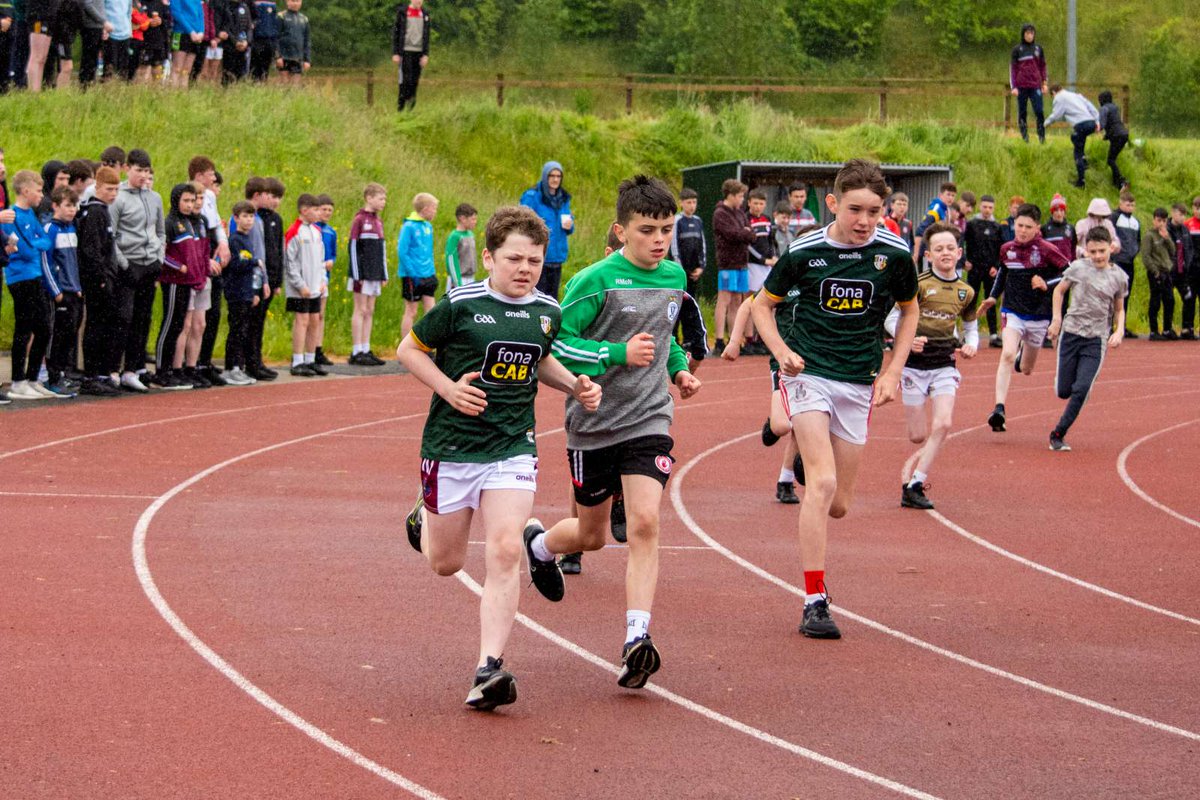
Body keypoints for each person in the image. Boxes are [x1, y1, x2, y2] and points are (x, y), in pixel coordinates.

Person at [399, 205, 600, 711]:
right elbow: (409, 349)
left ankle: (489, 667)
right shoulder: (461, 304)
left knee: (505, 551)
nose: (525, 269)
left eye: (534, 260)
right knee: (445, 563)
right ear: (488, 257)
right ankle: (423, 516)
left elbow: (540, 358)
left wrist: (574, 384)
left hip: (512, 446)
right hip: (450, 448)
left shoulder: (546, 312)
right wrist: (448, 389)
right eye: (514, 258)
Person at [526, 175, 701, 689]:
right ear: (620, 230)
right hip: (593, 423)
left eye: (666, 229)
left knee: (645, 522)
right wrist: (616, 355)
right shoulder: (593, 281)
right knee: (592, 535)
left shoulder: (673, 276)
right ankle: (539, 546)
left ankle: (636, 639)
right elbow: (555, 347)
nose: (659, 240)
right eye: (647, 229)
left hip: (649, 418)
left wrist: (677, 370)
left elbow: (666, 338)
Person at [751, 159, 919, 639]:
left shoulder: (895, 254)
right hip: (810, 373)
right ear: (833, 204)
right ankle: (815, 600)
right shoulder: (804, 251)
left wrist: (894, 371)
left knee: (840, 504)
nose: (866, 221)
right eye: (855, 210)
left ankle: (810, 454)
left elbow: (910, 312)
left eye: (875, 210)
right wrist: (782, 352)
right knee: (821, 486)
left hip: (859, 379)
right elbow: (762, 306)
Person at [889, 223, 978, 509]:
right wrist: (907, 336)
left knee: (944, 423)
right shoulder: (919, 285)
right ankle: (913, 480)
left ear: (959, 252)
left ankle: (915, 482)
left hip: (944, 365)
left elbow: (971, 326)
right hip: (914, 366)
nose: (945, 253)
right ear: (928, 255)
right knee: (917, 436)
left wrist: (971, 344)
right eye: (939, 249)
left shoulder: (966, 291)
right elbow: (891, 318)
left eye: (950, 248)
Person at [977, 203, 1070, 432]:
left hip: (1039, 316)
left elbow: (1069, 272)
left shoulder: (1047, 249)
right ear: (1014, 223)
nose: (1023, 230)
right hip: (1013, 311)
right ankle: (999, 408)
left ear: (1037, 228)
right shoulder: (1007, 248)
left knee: (1026, 368)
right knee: (1007, 353)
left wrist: (1046, 284)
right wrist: (992, 297)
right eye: (1019, 225)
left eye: (1028, 227)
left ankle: (1022, 360)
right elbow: (1002, 272)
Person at [721, 278, 804, 506]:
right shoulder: (787, 281)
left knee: (802, 423)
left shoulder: (830, 283)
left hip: (815, 365)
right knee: (782, 426)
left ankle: (785, 481)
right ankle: (772, 422)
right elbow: (749, 304)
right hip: (784, 362)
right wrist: (735, 341)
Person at [1046, 226, 1128, 451]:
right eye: (1093, 252)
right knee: (1064, 391)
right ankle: (1072, 386)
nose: (1098, 256)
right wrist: (1056, 319)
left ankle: (1058, 434)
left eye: (1102, 251)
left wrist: (1119, 330)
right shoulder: (1078, 268)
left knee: (1081, 389)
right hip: (1071, 333)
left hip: (1096, 338)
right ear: (1087, 251)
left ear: (1111, 247)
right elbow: (1059, 291)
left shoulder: (1119, 277)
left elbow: (1120, 309)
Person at [109, 148, 164, 392]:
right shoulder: (118, 197)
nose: (143, 175)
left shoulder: (155, 198)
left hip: (149, 263)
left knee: (142, 319)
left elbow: (160, 231)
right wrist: (124, 264)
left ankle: (132, 369)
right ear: (127, 169)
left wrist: (159, 257)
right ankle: (112, 369)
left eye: (146, 171)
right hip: (127, 264)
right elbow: (111, 236)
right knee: (123, 318)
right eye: (138, 170)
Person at [1, 169, 57, 400]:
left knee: (44, 328)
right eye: (38, 190)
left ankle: (33, 378)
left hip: (35, 276)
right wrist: (35, 243)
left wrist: (36, 243)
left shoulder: (31, 215)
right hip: (20, 277)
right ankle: (17, 380)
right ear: (25, 191)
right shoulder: (11, 216)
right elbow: (23, 249)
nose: (42, 195)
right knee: (24, 328)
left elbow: (45, 240)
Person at [75, 165, 121, 396]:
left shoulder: (104, 210)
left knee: (106, 326)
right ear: (98, 187)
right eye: (109, 189)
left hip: (107, 276)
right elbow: (91, 250)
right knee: (96, 326)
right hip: (97, 280)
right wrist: (101, 277)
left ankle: (102, 372)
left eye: (116, 189)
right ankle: (91, 375)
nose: (113, 193)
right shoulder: (94, 212)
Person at [153, 182, 203, 390]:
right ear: (176, 200)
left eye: (192, 201)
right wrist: (179, 266)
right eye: (186, 200)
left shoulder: (190, 223)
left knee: (179, 325)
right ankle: (161, 371)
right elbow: (162, 252)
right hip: (173, 280)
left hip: (187, 281)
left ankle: (172, 370)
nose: (189, 205)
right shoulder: (170, 222)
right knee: (170, 324)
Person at [189, 156, 230, 385]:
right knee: (194, 318)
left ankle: (204, 361)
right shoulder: (187, 197)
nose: (214, 178)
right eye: (211, 174)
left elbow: (215, 227)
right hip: (198, 260)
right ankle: (191, 364)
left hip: (213, 256)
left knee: (212, 314)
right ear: (199, 175)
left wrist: (223, 244)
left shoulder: (211, 197)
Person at [44, 185, 83, 396]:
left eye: (74, 205)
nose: (72, 210)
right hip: (59, 292)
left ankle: (62, 373)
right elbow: (46, 261)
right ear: (55, 205)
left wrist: (77, 287)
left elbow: (72, 262)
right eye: (67, 206)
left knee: (69, 334)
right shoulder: (51, 229)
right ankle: (51, 376)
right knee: (57, 335)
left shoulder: (71, 228)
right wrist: (55, 290)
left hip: (73, 289)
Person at [223, 200, 267, 385]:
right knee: (236, 329)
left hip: (247, 291)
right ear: (236, 218)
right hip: (236, 291)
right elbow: (236, 264)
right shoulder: (234, 240)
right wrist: (254, 262)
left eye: (251, 217)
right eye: (245, 216)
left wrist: (255, 291)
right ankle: (230, 367)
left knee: (243, 329)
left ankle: (237, 367)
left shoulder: (249, 239)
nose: (249, 220)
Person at [284, 192, 326, 376]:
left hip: (316, 286)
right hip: (300, 288)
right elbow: (290, 262)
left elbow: (321, 259)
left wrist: (323, 280)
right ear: (304, 210)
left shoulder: (317, 232)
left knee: (315, 320)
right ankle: (297, 359)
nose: (318, 213)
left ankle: (310, 359)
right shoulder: (294, 231)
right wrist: (300, 284)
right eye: (315, 209)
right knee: (302, 321)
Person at [519, 161, 573, 299]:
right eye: (552, 175)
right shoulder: (533, 196)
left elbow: (569, 226)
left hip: (557, 257)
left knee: (551, 297)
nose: (555, 179)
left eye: (558, 176)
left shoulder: (563, 198)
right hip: (537, 255)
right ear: (545, 176)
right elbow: (521, 223)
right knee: (535, 295)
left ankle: (550, 321)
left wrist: (569, 225)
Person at [348, 182, 388, 366]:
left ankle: (366, 347)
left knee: (370, 310)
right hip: (361, 274)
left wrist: (383, 274)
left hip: (375, 274)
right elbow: (354, 248)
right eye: (380, 198)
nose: (383, 202)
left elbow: (382, 249)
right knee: (360, 309)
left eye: (384, 199)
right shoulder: (359, 220)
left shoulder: (378, 221)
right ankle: (356, 350)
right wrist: (357, 274)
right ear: (369, 198)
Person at [711, 177, 754, 351]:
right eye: (741, 196)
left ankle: (733, 338)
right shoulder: (720, 213)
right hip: (727, 263)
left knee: (738, 300)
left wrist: (744, 233)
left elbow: (750, 235)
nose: (742, 200)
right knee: (724, 299)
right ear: (731, 195)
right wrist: (744, 233)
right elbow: (733, 234)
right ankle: (719, 340)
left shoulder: (740, 213)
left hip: (741, 262)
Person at [249, 176, 285, 379]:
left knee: (260, 321)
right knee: (253, 321)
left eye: (278, 197)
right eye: (272, 196)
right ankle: (250, 361)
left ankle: (258, 360)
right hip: (257, 278)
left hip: (271, 278)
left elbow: (278, 251)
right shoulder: (255, 217)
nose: (275, 201)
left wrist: (277, 280)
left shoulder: (276, 219)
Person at [397, 191, 437, 342]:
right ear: (426, 208)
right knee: (411, 311)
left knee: (431, 311)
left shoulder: (428, 226)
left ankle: (427, 345)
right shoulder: (409, 226)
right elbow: (402, 251)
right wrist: (412, 273)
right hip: (412, 275)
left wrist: (432, 273)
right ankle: (405, 348)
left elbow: (429, 252)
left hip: (428, 274)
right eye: (434, 208)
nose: (435, 212)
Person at [963, 194, 1003, 346]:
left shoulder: (997, 227)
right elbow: (962, 242)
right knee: (971, 301)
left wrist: (996, 266)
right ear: (980, 206)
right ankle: (968, 334)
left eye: (990, 207)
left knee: (990, 301)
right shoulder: (971, 224)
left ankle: (993, 335)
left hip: (990, 270)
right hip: (974, 269)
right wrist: (965, 260)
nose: (987, 210)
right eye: (985, 207)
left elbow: (1001, 249)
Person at [1045, 84, 1100, 188]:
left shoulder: (1059, 97)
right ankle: (1084, 161)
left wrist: (1045, 123)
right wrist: (1097, 121)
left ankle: (1081, 182)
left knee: (1077, 153)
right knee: (1075, 138)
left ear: (1053, 92)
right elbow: (1091, 106)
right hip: (1091, 123)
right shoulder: (1076, 95)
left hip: (1080, 124)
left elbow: (1057, 114)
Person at [1010, 23, 1048, 144]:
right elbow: (1013, 69)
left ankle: (1042, 137)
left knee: (1039, 111)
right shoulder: (1017, 50)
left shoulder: (1038, 49)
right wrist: (1014, 86)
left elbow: (1043, 67)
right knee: (1022, 112)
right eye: (1027, 33)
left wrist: (1044, 83)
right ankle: (1025, 137)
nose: (1030, 35)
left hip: (1035, 85)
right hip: (1021, 86)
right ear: (1023, 34)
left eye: (1032, 33)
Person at [1143, 208, 1176, 341]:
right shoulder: (1149, 236)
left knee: (1170, 301)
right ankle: (1153, 331)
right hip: (1156, 272)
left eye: (1164, 220)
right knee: (1155, 301)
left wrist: (1167, 238)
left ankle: (1167, 329)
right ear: (1154, 220)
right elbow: (1146, 256)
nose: (1161, 223)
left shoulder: (1166, 234)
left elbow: (1173, 251)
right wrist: (1155, 272)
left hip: (1167, 271)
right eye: (1159, 220)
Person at [1110, 190, 1140, 334]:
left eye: (1132, 205)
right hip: (1116, 261)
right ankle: (1108, 325)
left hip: (1129, 262)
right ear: (1120, 203)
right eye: (1128, 205)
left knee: (1125, 294)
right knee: (1111, 294)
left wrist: (1134, 253)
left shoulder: (1135, 222)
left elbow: (1137, 241)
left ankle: (1122, 325)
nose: (1130, 208)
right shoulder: (1113, 218)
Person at [391, 0, 428, 111]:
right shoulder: (403, 12)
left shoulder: (425, 14)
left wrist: (425, 54)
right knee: (405, 81)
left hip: (419, 52)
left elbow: (427, 35)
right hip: (405, 51)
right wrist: (395, 53)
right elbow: (396, 33)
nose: (419, 2)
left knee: (414, 82)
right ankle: (400, 109)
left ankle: (410, 110)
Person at [670, 187, 705, 300]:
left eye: (694, 202)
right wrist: (680, 269)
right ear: (681, 203)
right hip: (680, 270)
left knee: (691, 300)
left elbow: (702, 245)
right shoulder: (677, 220)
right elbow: (674, 246)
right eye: (688, 202)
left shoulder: (698, 220)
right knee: (677, 300)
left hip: (695, 271)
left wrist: (701, 266)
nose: (692, 205)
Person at [312, 193, 335, 366]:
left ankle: (318, 348)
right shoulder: (314, 229)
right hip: (313, 275)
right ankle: (310, 350)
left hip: (324, 277)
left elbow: (333, 253)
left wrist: (331, 261)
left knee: (321, 314)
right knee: (313, 315)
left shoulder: (331, 231)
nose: (326, 213)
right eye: (323, 209)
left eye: (329, 210)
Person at [1096, 90, 1129, 189]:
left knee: (1110, 160)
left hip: (1116, 136)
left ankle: (1121, 180)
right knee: (1113, 159)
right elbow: (1114, 122)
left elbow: (1102, 124)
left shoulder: (1104, 108)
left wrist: (1095, 128)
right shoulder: (1114, 107)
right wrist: (1106, 136)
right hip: (1124, 134)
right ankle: (1116, 183)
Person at [215, 0, 251, 85]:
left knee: (241, 75)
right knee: (228, 75)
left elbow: (249, 27)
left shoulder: (244, 6)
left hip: (243, 46)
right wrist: (235, 42)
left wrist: (247, 41)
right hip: (229, 45)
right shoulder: (224, 6)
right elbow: (225, 26)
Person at [444, 201, 478, 290]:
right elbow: (451, 260)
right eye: (473, 219)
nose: (475, 222)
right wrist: (457, 282)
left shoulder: (471, 234)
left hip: (470, 278)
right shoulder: (454, 237)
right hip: (459, 279)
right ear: (462, 218)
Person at [169, 0, 203, 87]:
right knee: (177, 68)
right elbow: (176, 13)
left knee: (186, 70)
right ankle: (173, 95)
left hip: (196, 35)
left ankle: (183, 95)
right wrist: (190, 31)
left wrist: (201, 31)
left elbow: (200, 14)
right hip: (181, 33)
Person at [274, 0, 309, 85]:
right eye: (293, 1)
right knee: (285, 85)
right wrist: (277, 56)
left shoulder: (304, 19)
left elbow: (307, 41)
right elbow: (275, 38)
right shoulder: (281, 16)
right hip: (284, 56)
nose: (295, 3)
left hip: (297, 57)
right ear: (287, 2)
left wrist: (307, 60)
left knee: (295, 86)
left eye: (297, 1)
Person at [1182, 197, 1200, 339]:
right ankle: (1187, 328)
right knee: (1189, 298)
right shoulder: (1187, 224)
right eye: (1197, 208)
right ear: (1193, 208)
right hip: (1190, 268)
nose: (1199, 211)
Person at [102, 0, 132, 82]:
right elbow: (101, 10)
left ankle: (121, 91)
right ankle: (106, 91)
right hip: (110, 34)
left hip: (125, 34)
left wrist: (130, 31)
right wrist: (103, 27)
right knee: (109, 67)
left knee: (124, 68)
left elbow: (128, 13)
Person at [1041, 194, 1076, 263]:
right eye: (1056, 210)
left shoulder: (1071, 228)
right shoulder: (1044, 229)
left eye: (1061, 210)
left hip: (1067, 268)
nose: (1059, 213)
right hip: (1050, 268)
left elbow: (1073, 250)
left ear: (1064, 212)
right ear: (1052, 212)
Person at [248, 0, 277, 81]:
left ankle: (262, 87)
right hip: (255, 39)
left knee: (265, 68)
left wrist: (274, 41)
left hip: (269, 40)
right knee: (254, 68)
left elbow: (274, 24)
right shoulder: (251, 3)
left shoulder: (272, 4)